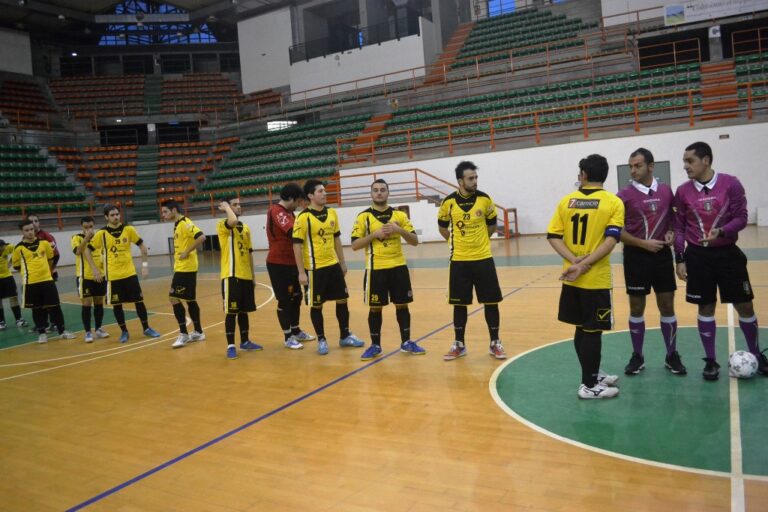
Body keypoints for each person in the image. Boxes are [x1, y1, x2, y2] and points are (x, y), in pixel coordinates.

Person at [673, 141, 766, 379]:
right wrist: (680, 258)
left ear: (706, 160)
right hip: (697, 257)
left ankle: (756, 354)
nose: (685, 166)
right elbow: (679, 227)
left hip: (727, 255)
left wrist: (722, 232)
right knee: (705, 306)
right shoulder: (683, 191)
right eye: (684, 161)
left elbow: (742, 218)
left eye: (690, 161)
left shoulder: (731, 184)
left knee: (744, 305)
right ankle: (710, 360)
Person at [547, 154, 624, 399]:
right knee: (592, 331)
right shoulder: (613, 202)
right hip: (595, 278)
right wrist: (585, 264)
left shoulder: (566, 201)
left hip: (572, 277)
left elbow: (553, 236)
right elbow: (611, 241)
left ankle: (592, 373)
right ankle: (589, 385)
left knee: (582, 329)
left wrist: (574, 261)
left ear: (584, 175)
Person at [617, 148, 685, 375]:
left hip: (662, 257)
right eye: (631, 166)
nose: (633, 170)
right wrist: (642, 243)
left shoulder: (666, 191)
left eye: (638, 165)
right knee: (637, 308)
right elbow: (617, 232)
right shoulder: (623, 196)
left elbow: (675, 221)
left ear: (651, 166)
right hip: (636, 257)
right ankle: (638, 356)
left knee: (667, 306)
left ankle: (671, 355)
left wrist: (672, 233)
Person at [437, 161, 506, 361]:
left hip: (483, 259)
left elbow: (492, 226)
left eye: (475, 177)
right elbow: (442, 227)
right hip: (459, 261)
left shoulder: (485, 200)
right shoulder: (448, 202)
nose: (475, 181)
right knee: (459, 304)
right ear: (460, 181)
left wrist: (480, 240)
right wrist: (454, 241)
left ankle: (495, 342)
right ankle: (459, 344)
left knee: (491, 302)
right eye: (470, 178)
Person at [351, 179, 424, 360]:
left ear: (388, 193)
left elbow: (415, 241)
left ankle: (406, 342)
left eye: (383, 190)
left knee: (402, 305)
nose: (379, 193)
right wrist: (374, 235)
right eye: (375, 190)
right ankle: (375, 345)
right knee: (375, 308)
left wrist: (399, 230)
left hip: (398, 267)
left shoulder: (399, 215)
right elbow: (354, 245)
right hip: (376, 269)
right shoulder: (363, 217)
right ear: (371, 194)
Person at [292, 179, 365, 355]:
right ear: (310, 196)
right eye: (320, 191)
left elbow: (336, 239)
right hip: (315, 269)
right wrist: (301, 272)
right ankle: (322, 339)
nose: (325, 193)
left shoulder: (332, 213)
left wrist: (342, 262)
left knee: (342, 300)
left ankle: (345, 335)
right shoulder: (303, 218)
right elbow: (296, 245)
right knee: (317, 306)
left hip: (333, 266)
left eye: (325, 191)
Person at [85, 204, 161, 343]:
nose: (115, 217)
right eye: (112, 215)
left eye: (117, 214)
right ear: (106, 217)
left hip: (130, 274)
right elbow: (87, 251)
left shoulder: (129, 229)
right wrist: (94, 269)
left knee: (139, 301)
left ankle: (146, 328)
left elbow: (143, 247)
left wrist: (145, 266)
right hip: (113, 276)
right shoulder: (101, 234)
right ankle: (124, 331)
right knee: (117, 305)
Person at [265, 183, 315, 350]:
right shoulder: (277, 211)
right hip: (279, 263)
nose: (299, 205)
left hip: (292, 262)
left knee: (296, 298)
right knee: (285, 300)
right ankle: (288, 336)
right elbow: (293, 232)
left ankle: (295, 329)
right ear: (291, 198)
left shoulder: (290, 212)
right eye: (298, 201)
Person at [11, 219, 75, 343]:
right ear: (22, 232)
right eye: (27, 230)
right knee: (37, 309)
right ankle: (42, 333)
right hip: (31, 283)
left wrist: (45, 272)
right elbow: (17, 266)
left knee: (55, 307)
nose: (30, 232)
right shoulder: (18, 249)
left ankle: (62, 331)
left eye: (31, 229)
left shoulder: (44, 243)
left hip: (47, 280)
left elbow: (51, 259)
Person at [217, 197, 263, 359]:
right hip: (231, 275)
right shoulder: (224, 225)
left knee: (244, 311)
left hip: (245, 276)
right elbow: (233, 220)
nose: (239, 206)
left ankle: (245, 341)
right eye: (235, 205)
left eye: (239, 204)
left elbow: (250, 253)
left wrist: (253, 276)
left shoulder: (246, 228)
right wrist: (226, 208)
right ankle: (231, 346)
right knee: (231, 312)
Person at [161, 200, 206, 349]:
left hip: (185, 268)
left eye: (165, 211)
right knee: (190, 299)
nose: (163, 215)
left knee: (173, 297)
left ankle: (184, 333)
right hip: (183, 267)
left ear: (174, 210)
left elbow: (201, 237)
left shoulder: (185, 223)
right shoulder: (177, 224)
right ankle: (198, 332)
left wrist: (187, 251)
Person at [71, 216, 109, 343]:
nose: (89, 229)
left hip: (100, 275)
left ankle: (98, 329)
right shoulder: (76, 238)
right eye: (86, 227)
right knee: (87, 303)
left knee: (99, 302)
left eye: (91, 226)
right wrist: (86, 239)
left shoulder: (100, 237)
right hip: (84, 276)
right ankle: (88, 332)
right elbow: (77, 252)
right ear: (82, 227)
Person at [0, 239, 27, 330]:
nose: (2, 250)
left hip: (8, 277)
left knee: (13, 297)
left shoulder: (8, 247)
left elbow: (17, 250)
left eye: (3, 248)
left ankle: (19, 319)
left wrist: (11, 262)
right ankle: (1, 322)